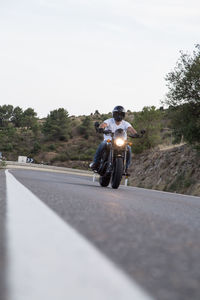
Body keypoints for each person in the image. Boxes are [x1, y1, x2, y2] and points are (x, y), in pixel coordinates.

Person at [90, 106, 138, 172]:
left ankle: (127, 167)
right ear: (114, 114)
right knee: (103, 144)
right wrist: (101, 128)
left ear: (123, 115)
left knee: (129, 148)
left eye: (121, 114)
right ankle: (95, 163)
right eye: (117, 114)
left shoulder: (125, 123)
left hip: (121, 141)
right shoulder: (109, 121)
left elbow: (130, 129)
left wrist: (136, 134)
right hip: (109, 140)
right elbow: (103, 124)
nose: (119, 116)